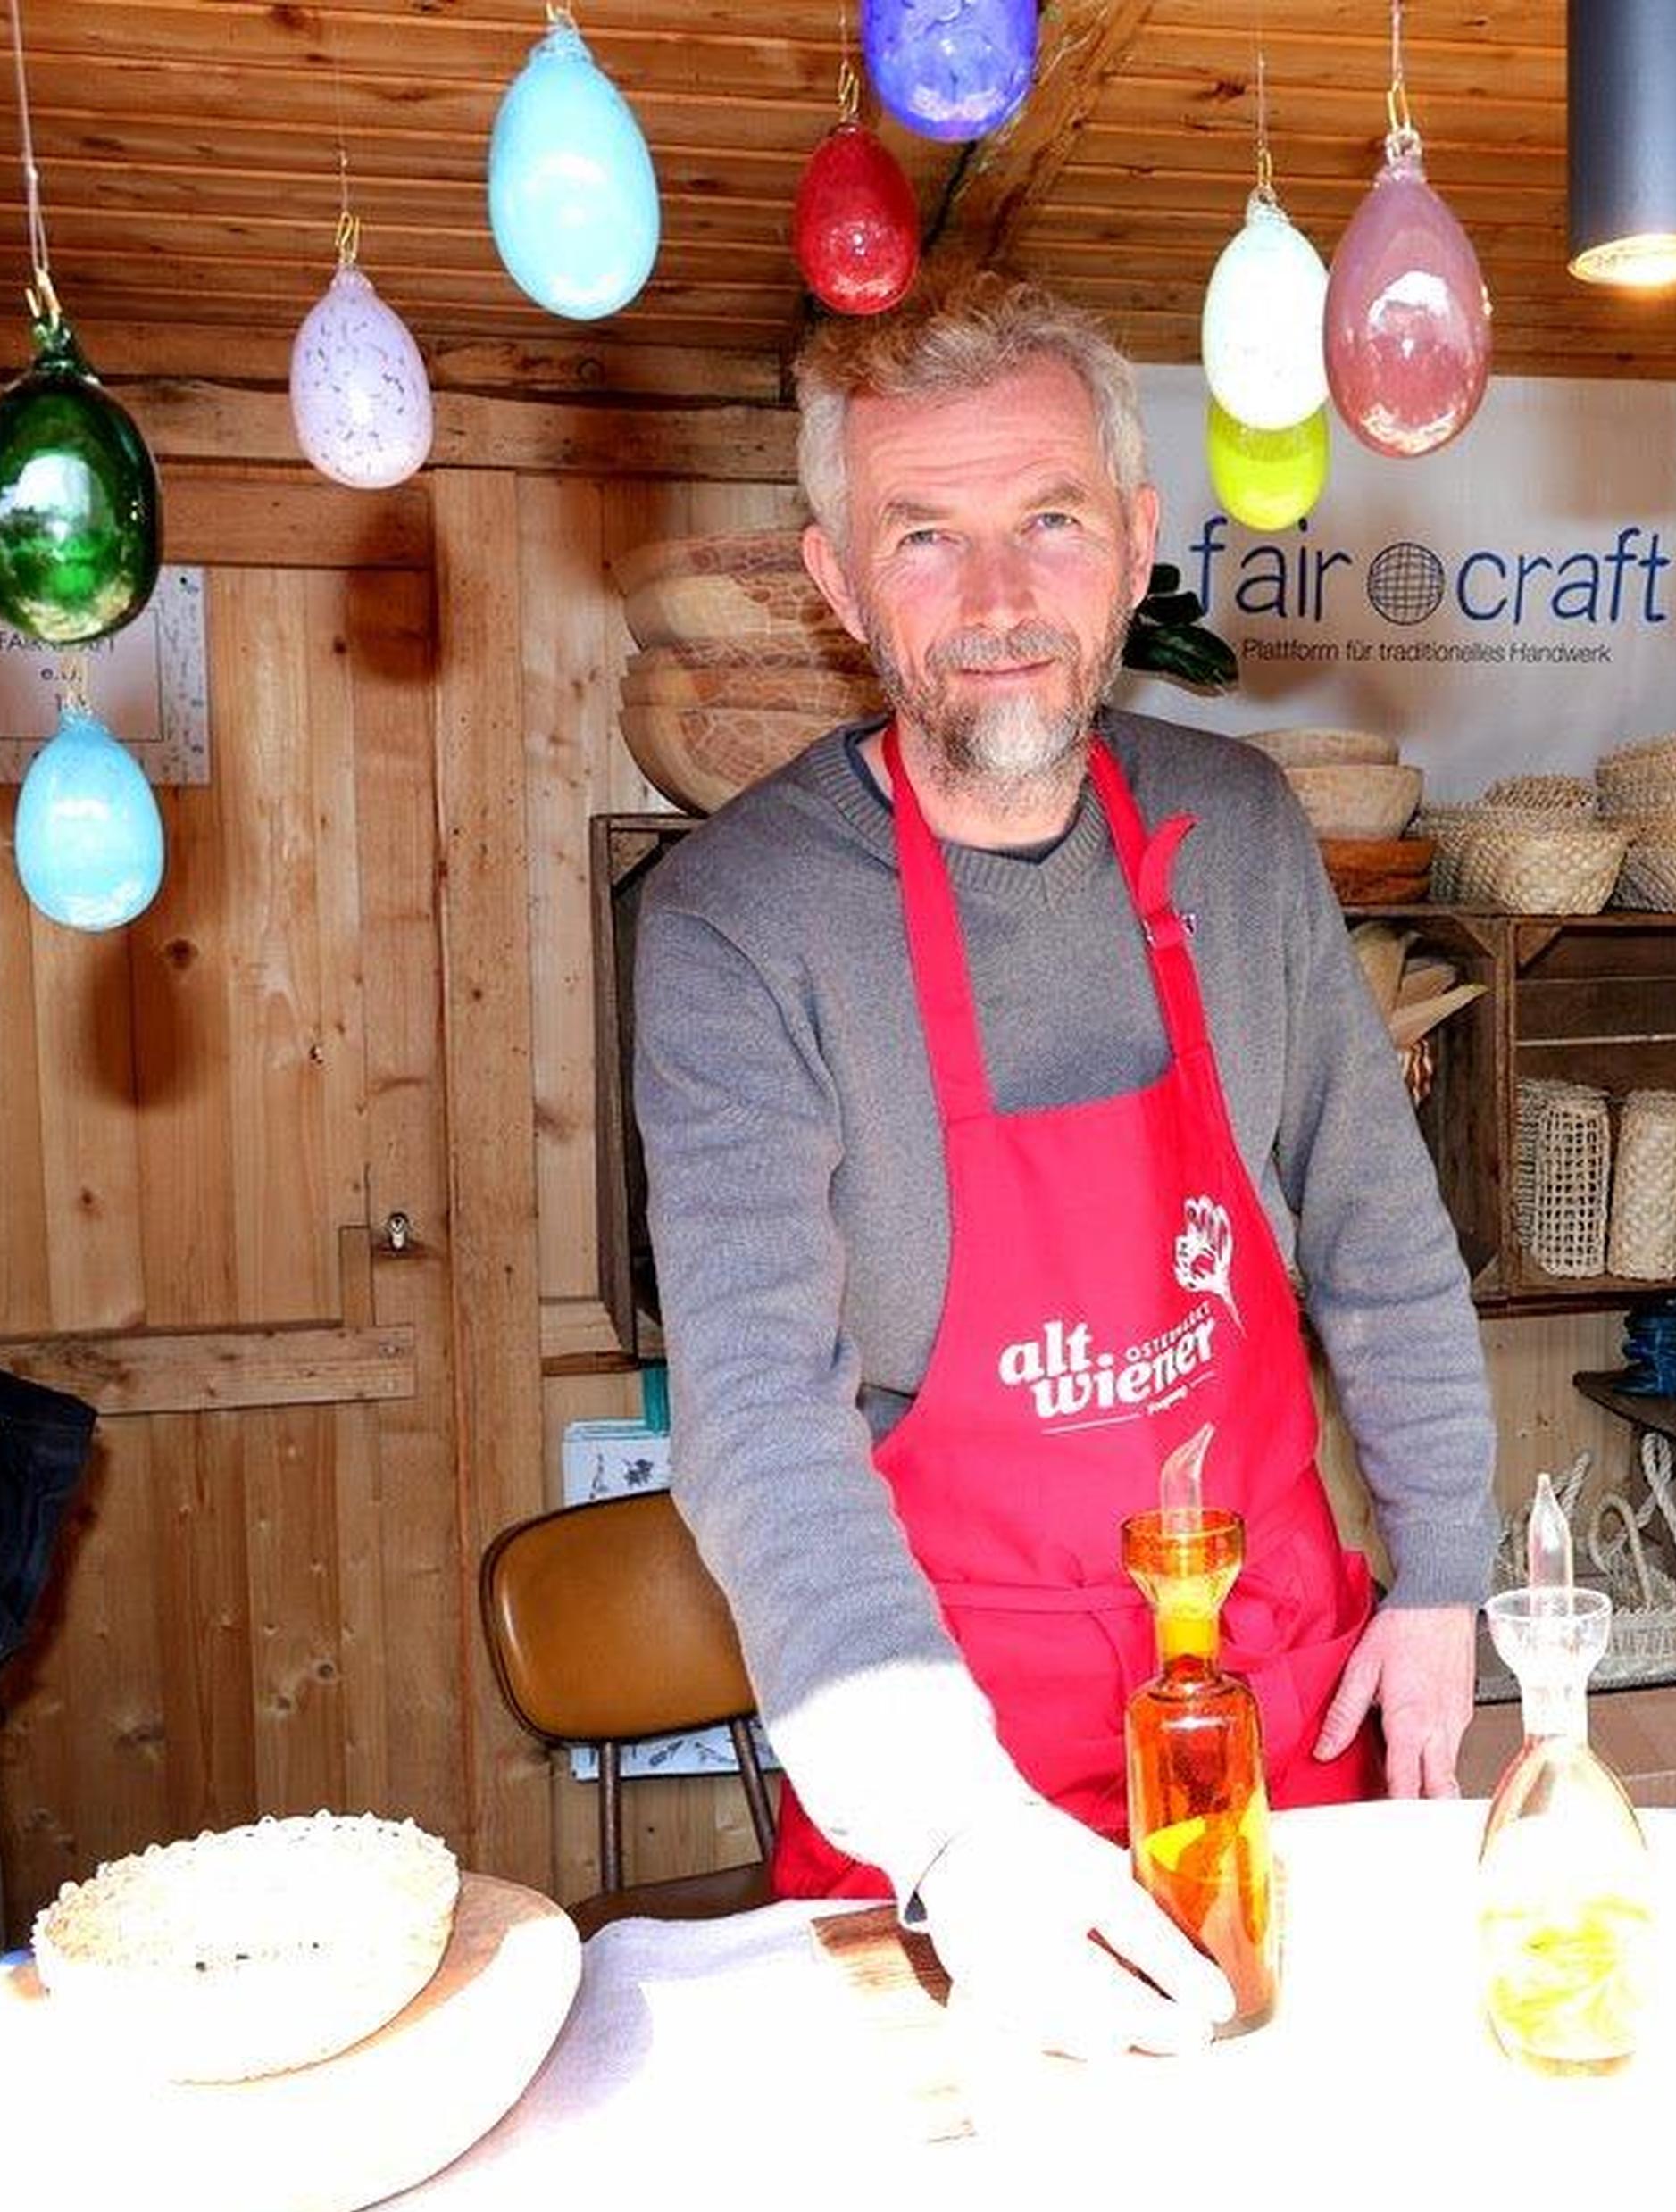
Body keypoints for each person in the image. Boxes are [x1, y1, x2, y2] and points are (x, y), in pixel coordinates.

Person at [632, 273, 1496, 2058]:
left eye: (1047, 520)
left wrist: (1440, 1575)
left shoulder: (1243, 837)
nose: (1000, 598)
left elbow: (1379, 1232)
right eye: (925, 536)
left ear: (1135, 539)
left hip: (1278, 1702)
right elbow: (759, 1416)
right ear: (838, 581)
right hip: (940, 1740)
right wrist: (951, 1825)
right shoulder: (741, 922)